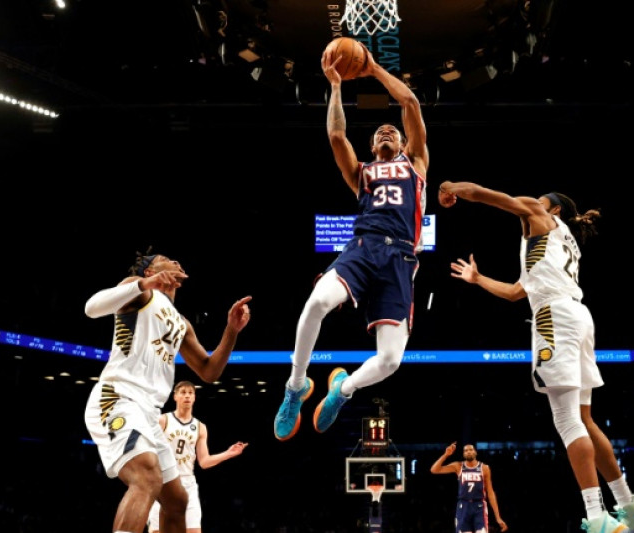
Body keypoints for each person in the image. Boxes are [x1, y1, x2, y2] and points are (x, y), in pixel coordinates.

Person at [437, 182, 634, 533]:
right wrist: (478, 279)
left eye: (539, 200)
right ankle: (629, 503)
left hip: (554, 319)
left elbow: (497, 199)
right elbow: (515, 293)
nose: (531, 201)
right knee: (584, 419)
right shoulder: (554, 242)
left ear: (552, 210)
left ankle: (598, 516)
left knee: (567, 421)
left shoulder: (540, 218)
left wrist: (455, 188)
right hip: (578, 317)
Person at [273, 41, 429, 440]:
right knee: (317, 302)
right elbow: (337, 136)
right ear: (373, 146)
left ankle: (342, 389)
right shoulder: (361, 172)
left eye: (391, 129)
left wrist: (374, 68)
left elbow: (409, 102)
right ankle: (296, 387)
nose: (387, 130)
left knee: (392, 360)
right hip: (363, 246)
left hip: (401, 260)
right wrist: (337, 86)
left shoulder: (416, 163)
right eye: (379, 131)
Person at [83, 249, 252, 533]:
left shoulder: (181, 323)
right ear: (150, 271)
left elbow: (209, 371)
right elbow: (92, 308)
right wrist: (143, 284)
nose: (175, 261)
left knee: (176, 500)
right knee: (147, 478)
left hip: (148, 414)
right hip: (117, 398)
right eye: (165, 258)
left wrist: (231, 332)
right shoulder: (138, 289)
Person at [146, 381, 248, 533]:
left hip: (187, 483)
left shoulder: (200, 427)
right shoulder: (163, 420)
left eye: (190, 393)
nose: (187, 395)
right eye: (183, 392)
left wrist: (229, 453)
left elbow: (204, 462)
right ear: (175, 396)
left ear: (194, 398)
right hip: (163, 483)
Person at [430, 442, 508, 533]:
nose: (468, 452)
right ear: (463, 454)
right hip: (463, 505)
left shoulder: (484, 468)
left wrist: (498, 517)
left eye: (471, 449)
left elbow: (490, 492)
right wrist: (446, 455)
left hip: (479, 506)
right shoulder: (458, 466)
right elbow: (434, 470)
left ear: (475, 452)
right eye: (466, 450)